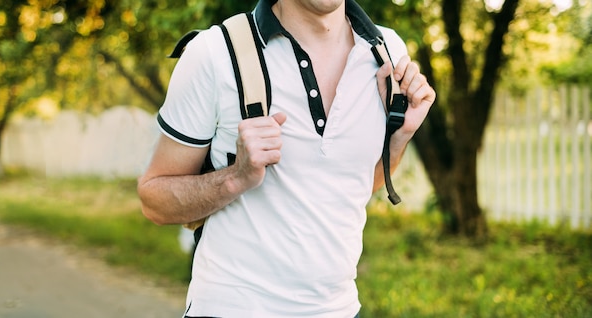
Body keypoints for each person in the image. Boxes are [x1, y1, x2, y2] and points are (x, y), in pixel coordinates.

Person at [137, 0, 435, 316]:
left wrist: (399, 137)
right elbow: (154, 200)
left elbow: (354, 185)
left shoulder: (387, 52)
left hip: (342, 309)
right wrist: (236, 177)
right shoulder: (216, 52)